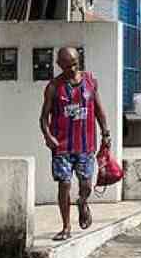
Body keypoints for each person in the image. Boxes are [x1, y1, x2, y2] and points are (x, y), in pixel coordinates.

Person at [39, 46, 110, 241]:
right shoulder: (54, 87)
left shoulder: (90, 81)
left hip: (85, 145)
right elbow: (43, 118)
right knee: (64, 184)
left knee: (86, 184)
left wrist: (105, 133)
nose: (72, 69)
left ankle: (82, 202)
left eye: (74, 64)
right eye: (67, 66)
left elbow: (99, 110)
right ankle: (66, 226)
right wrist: (48, 136)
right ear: (59, 65)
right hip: (62, 146)